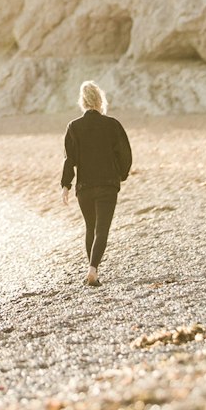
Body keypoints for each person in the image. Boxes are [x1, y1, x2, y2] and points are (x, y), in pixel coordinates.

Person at [60, 81, 133, 286]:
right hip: (107, 184)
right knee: (102, 228)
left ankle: (93, 269)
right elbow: (125, 154)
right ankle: (93, 269)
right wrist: (120, 175)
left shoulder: (74, 127)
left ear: (82, 102)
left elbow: (69, 159)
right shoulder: (112, 125)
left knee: (90, 227)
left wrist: (66, 185)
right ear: (100, 100)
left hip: (84, 187)